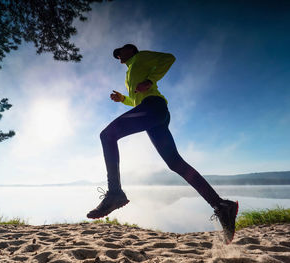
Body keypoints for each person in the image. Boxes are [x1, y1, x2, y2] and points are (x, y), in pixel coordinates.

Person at [86, 44, 239, 244]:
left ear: (131, 50)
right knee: (175, 163)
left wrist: (150, 80)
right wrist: (123, 98)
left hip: (154, 108)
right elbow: (137, 101)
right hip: (153, 113)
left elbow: (169, 58)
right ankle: (221, 205)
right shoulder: (130, 73)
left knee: (107, 135)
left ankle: (115, 192)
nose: (118, 56)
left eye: (120, 51)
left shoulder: (141, 58)